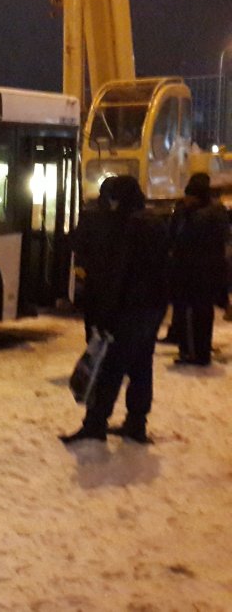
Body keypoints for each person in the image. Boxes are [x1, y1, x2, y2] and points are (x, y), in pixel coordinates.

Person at [61, 176, 169, 445]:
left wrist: (106, 315)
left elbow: (120, 275)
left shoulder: (128, 227)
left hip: (128, 310)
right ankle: (136, 423)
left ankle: (95, 423)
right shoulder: (155, 223)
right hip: (152, 309)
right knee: (142, 367)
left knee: (111, 367)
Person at [168, 172, 230, 366]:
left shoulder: (192, 216)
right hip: (211, 272)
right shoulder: (218, 212)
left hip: (192, 274)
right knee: (204, 313)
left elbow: (180, 242)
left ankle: (192, 352)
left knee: (191, 314)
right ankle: (201, 351)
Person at [71, 178, 120, 342]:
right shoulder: (122, 219)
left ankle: (93, 350)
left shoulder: (89, 214)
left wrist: (84, 266)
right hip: (115, 280)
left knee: (92, 319)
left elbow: (78, 243)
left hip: (94, 277)